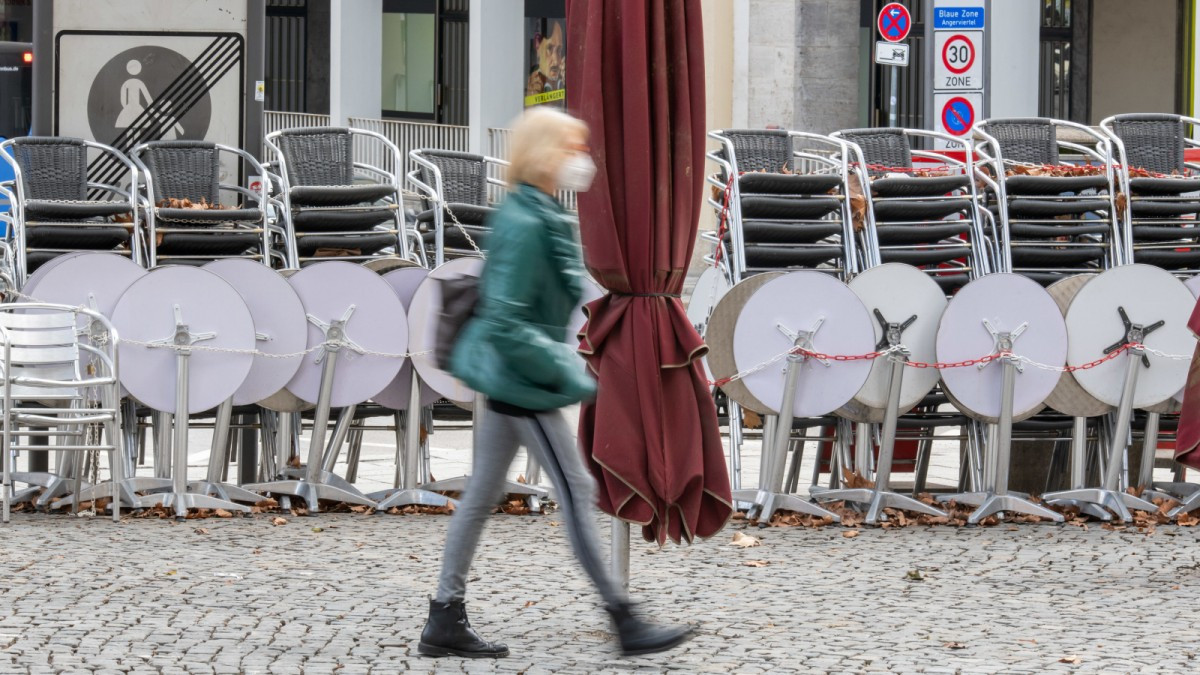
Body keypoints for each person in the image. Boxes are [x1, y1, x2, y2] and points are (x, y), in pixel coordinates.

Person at [417, 108, 693, 659]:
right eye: (571, 148)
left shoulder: (534, 213)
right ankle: (624, 619)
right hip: (524, 383)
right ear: (544, 154)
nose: (581, 160)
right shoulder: (525, 221)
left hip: (519, 376)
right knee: (575, 489)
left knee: (481, 494)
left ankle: (444, 617)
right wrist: (571, 373)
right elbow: (507, 319)